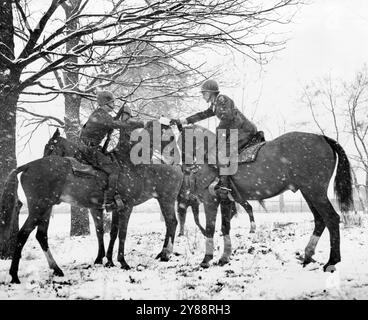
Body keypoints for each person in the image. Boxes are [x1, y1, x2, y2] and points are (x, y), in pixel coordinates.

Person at [170, 79, 258, 199]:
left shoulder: (222, 99)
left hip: (244, 130)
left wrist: (218, 135)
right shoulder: (215, 104)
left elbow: (226, 117)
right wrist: (182, 121)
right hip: (235, 131)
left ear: (211, 93)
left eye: (204, 93)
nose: (203, 96)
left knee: (222, 154)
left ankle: (224, 186)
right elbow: (202, 115)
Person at [79, 90, 143, 211]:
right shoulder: (101, 116)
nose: (114, 105)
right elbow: (116, 124)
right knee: (114, 169)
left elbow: (112, 121)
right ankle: (108, 202)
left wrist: (118, 116)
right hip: (89, 149)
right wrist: (139, 124)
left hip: (90, 147)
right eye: (112, 102)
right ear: (105, 103)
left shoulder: (101, 114)